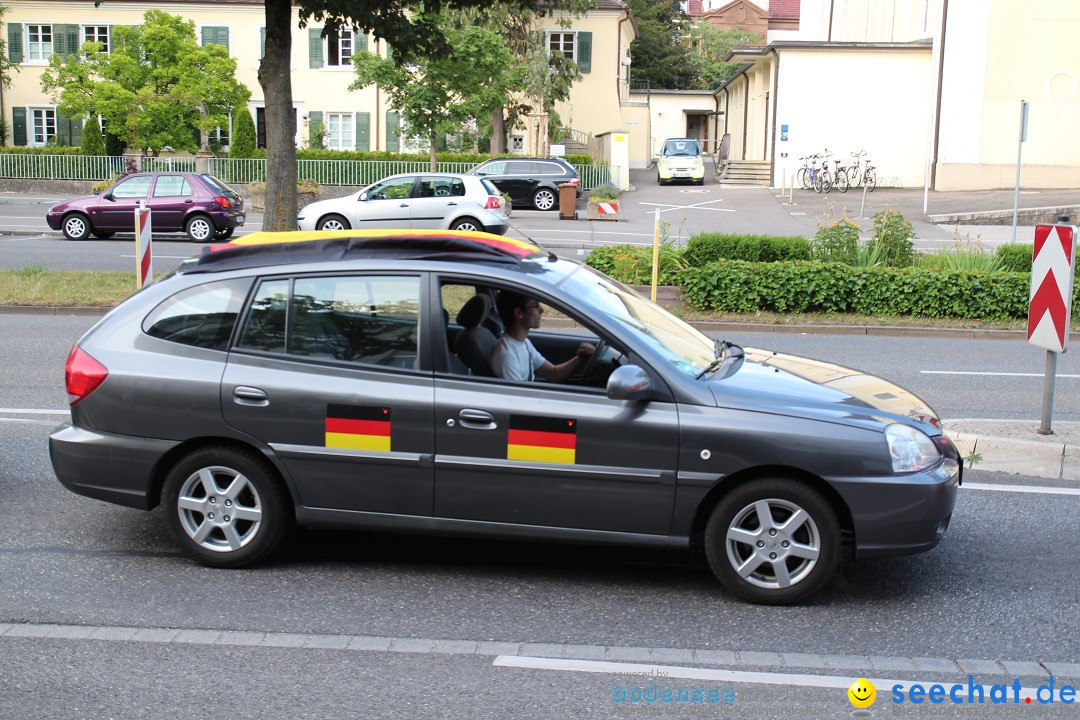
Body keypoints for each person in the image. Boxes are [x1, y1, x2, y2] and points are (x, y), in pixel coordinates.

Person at [490, 290, 595, 382]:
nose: (542, 310)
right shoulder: (506, 355)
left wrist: (580, 358)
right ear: (519, 313)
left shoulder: (524, 343)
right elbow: (517, 400)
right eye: (535, 306)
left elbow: (554, 373)